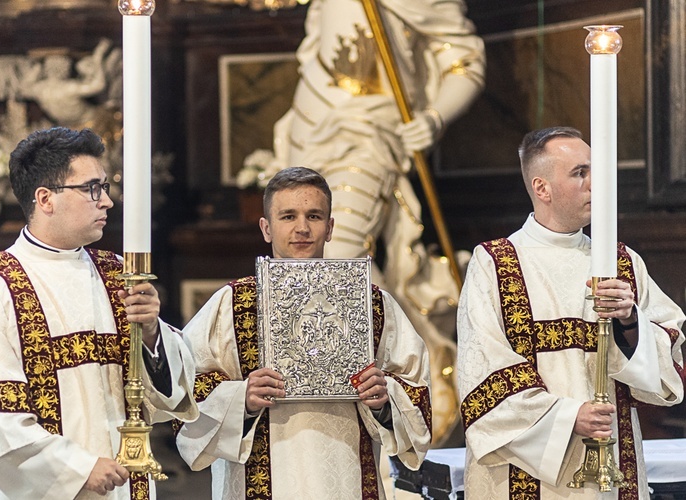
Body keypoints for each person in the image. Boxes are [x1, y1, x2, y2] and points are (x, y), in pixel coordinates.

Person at [245, 0, 486, 444]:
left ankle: (386, 385)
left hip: (372, 133)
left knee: (335, 257)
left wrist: (434, 117)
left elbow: (464, 61)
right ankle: (309, 390)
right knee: (298, 262)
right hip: (310, 123)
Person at [0, 127, 198, 499]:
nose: (107, 201)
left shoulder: (117, 273)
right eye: (92, 188)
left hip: (123, 485)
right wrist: (76, 469)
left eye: (106, 187)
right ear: (45, 199)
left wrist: (153, 333)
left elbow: (167, 396)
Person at [175, 166, 432, 499]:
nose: (302, 228)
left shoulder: (371, 303)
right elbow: (183, 390)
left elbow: (416, 388)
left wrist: (384, 399)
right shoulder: (232, 304)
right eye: (288, 216)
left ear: (330, 227)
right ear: (266, 228)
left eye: (314, 216)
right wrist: (243, 399)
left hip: (346, 477)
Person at [456, 126, 685, 498]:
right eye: (580, 173)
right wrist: (565, 418)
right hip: (528, 476)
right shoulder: (496, 264)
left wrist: (631, 322)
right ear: (542, 188)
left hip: (614, 470)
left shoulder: (621, 261)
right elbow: (482, 372)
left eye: (596, 170)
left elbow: (669, 365)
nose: (596, 183)